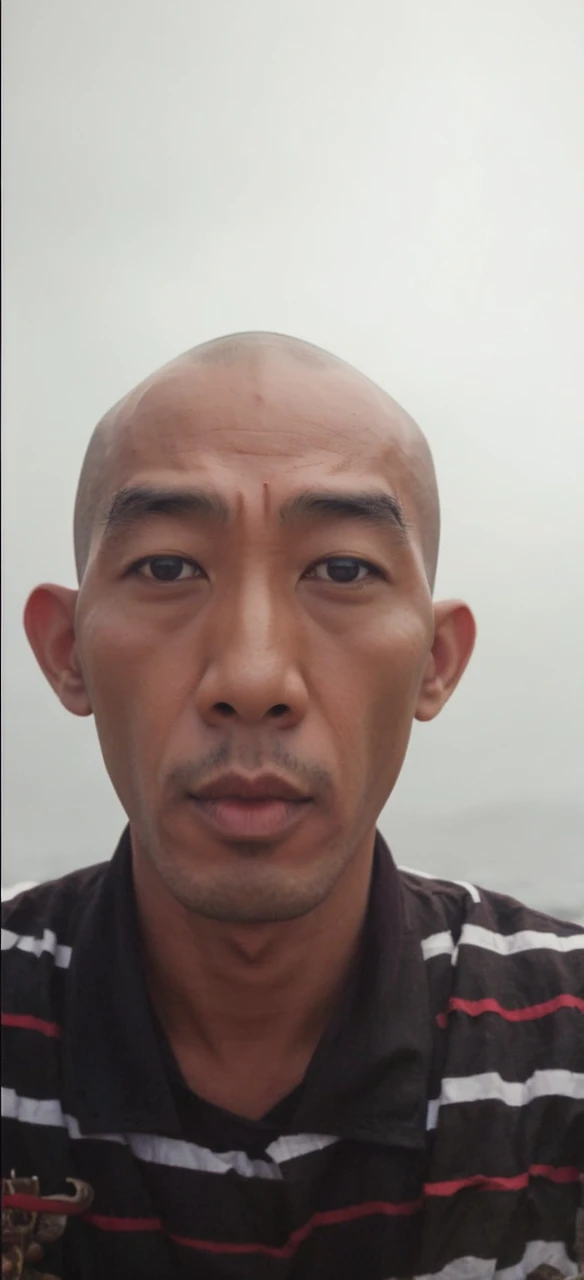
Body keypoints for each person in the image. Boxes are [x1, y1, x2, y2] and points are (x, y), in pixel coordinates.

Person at [2, 332, 583, 1280]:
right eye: (167, 567)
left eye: (343, 570)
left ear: (435, 663)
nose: (253, 677)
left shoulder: (562, 1050)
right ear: (68, 650)